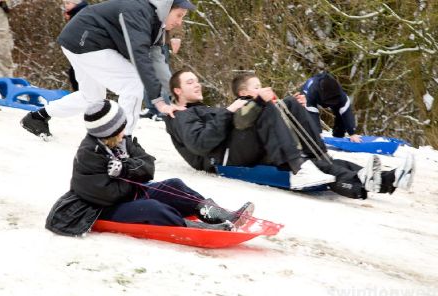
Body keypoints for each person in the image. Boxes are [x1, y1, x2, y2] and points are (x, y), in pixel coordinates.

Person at [165, 70, 415, 199]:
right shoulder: (180, 115)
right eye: (189, 82)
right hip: (222, 159)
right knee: (268, 104)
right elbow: (200, 144)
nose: (197, 84)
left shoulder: (205, 109)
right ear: (177, 91)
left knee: (290, 105)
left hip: (239, 148)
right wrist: (232, 109)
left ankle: (385, 179)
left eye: (196, 80)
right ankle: (299, 165)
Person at [45, 99, 255, 236]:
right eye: (120, 127)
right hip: (100, 208)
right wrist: (135, 181)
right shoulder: (89, 154)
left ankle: (220, 215)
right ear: (108, 131)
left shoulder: (123, 141)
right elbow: (105, 195)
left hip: (129, 193)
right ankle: (199, 230)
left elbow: (148, 165)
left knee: (175, 185)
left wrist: (127, 170)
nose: (124, 129)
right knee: (153, 207)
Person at [20, 0, 196, 140]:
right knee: (133, 82)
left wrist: (178, 96)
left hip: (77, 40)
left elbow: (158, 64)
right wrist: (159, 102)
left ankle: (37, 117)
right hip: (86, 39)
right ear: (166, 7)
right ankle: (123, 141)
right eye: (179, 15)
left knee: (92, 98)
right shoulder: (140, 12)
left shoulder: (157, 25)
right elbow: (139, 56)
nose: (180, 22)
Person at [298, 72, 362, 143]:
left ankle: (339, 135)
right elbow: (311, 112)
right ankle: (305, 136)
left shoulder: (340, 94)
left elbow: (346, 111)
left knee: (340, 111)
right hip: (308, 96)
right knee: (303, 111)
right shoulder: (311, 92)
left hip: (329, 95)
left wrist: (352, 132)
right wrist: (317, 132)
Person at [140, 32, 181, 121]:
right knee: (146, 75)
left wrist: (176, 36)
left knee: (161, 76)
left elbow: (174, 21)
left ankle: (165, 108)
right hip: (144, 42)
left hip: (159, 43)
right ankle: (152, 108)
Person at [62, 0, 89, 91]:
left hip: (84, 51)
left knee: (77, 75)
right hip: (80, 50)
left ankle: (84, 98)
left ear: (77, 4)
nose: (65, 6)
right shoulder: (76, 13)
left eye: (68, 3)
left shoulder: (80, 14)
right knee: (74, 74)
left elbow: (83, 33)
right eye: (64, 3)